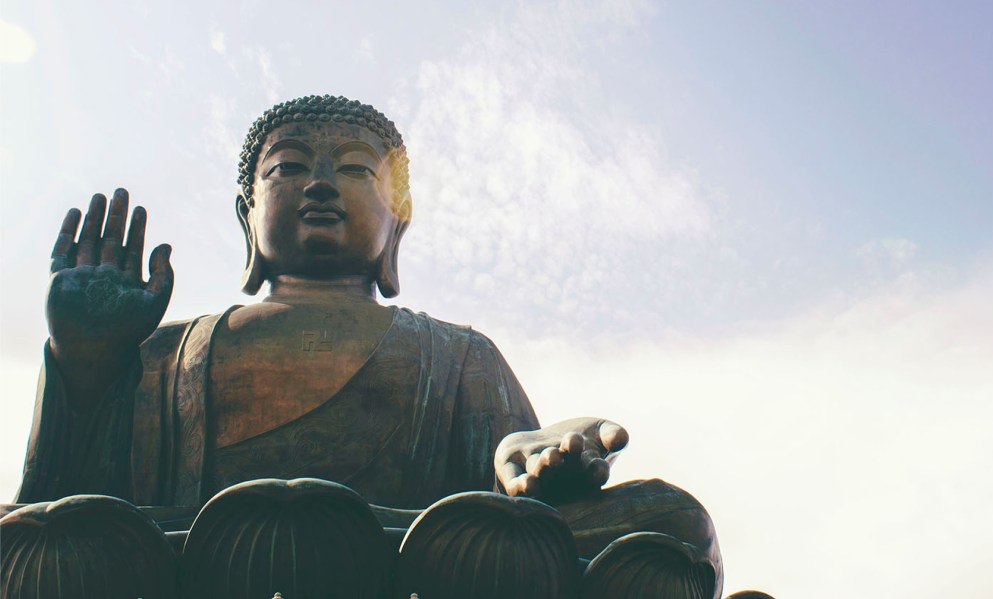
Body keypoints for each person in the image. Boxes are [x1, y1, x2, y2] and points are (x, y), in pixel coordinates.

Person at [16, 94, 718, 572]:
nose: (320, 183)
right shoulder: (166, 353)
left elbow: (511, 476)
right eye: (288, 167)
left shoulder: (456, 352)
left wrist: (534, 459)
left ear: (396, 222)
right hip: (181, 555)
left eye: (354, 169)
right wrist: (85, 365)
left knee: (673, 521)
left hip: (412, 557)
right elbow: (62, 500)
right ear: (246, 214)